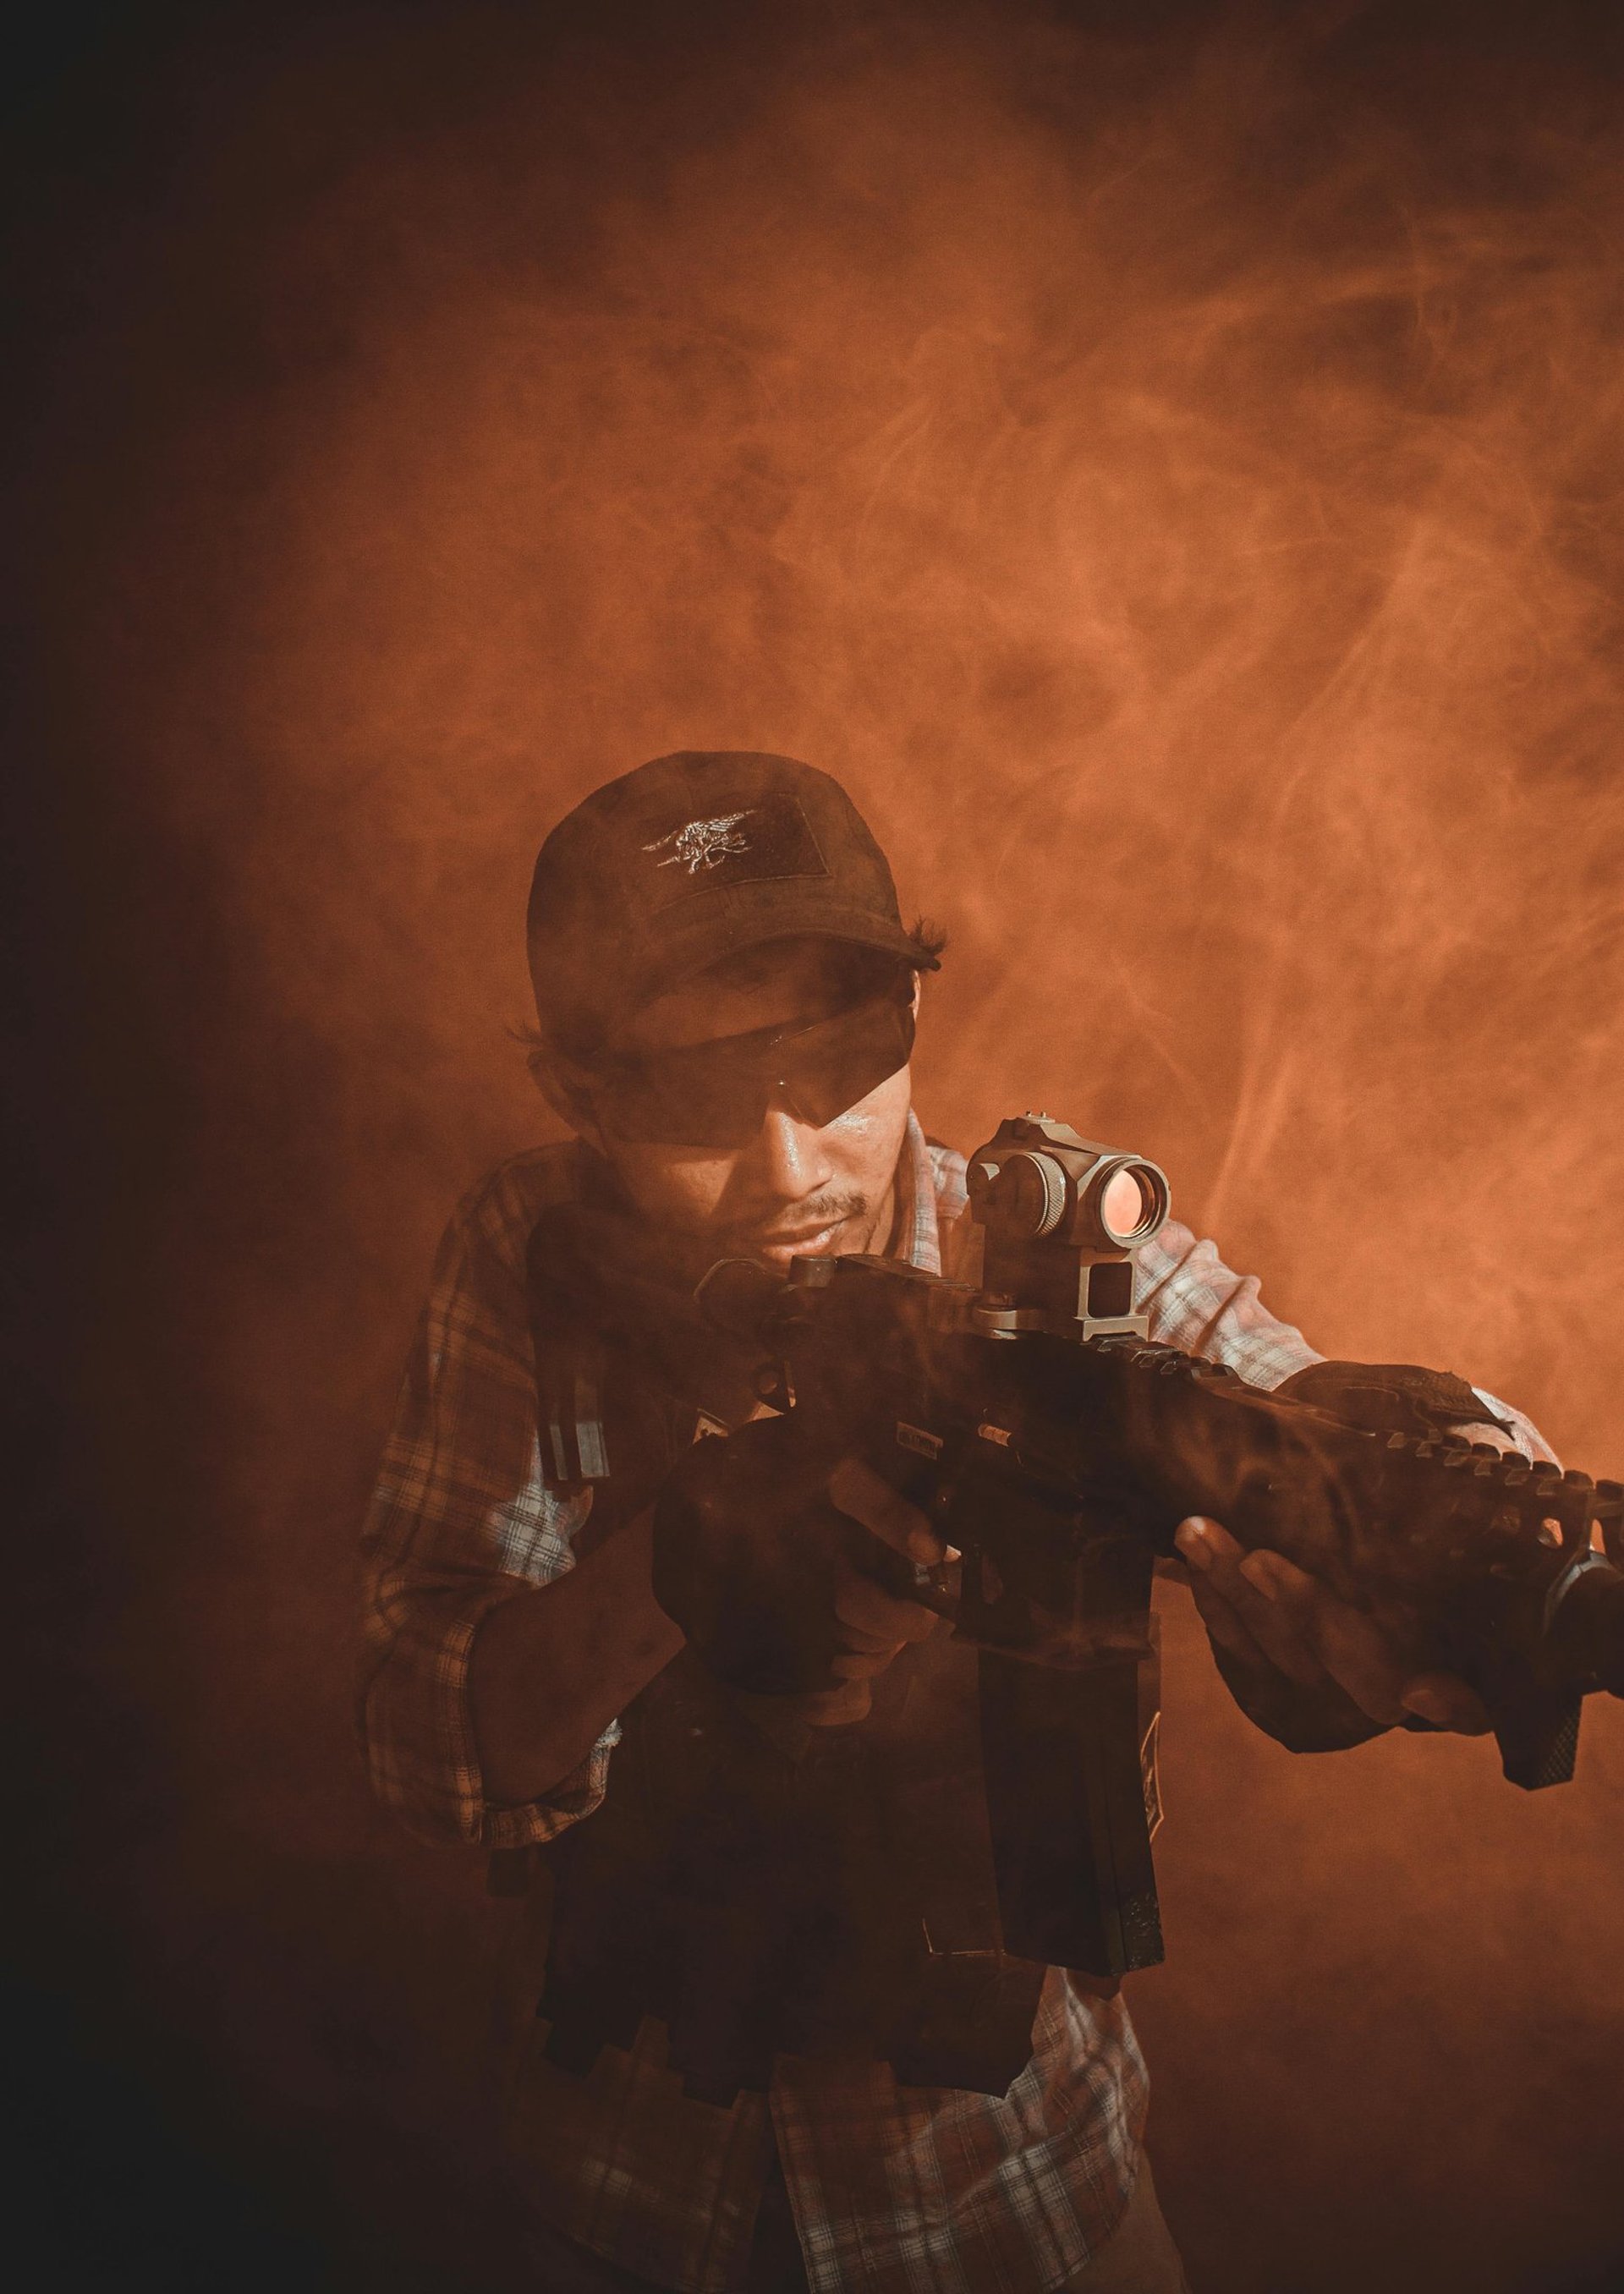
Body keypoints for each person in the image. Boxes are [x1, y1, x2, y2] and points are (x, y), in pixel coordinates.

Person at [360, 750, 1550, 2294]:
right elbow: (416, 1742)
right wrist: (675, 1565)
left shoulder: (1042, 1252)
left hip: (1022, 2201)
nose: (788, 1162)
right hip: (628, 2206)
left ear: (910, 1022)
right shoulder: (525, 1255)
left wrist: (1453, 1500)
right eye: (694, 1095)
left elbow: (1296, 1408)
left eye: (838, 1055)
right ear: (574, 1094)